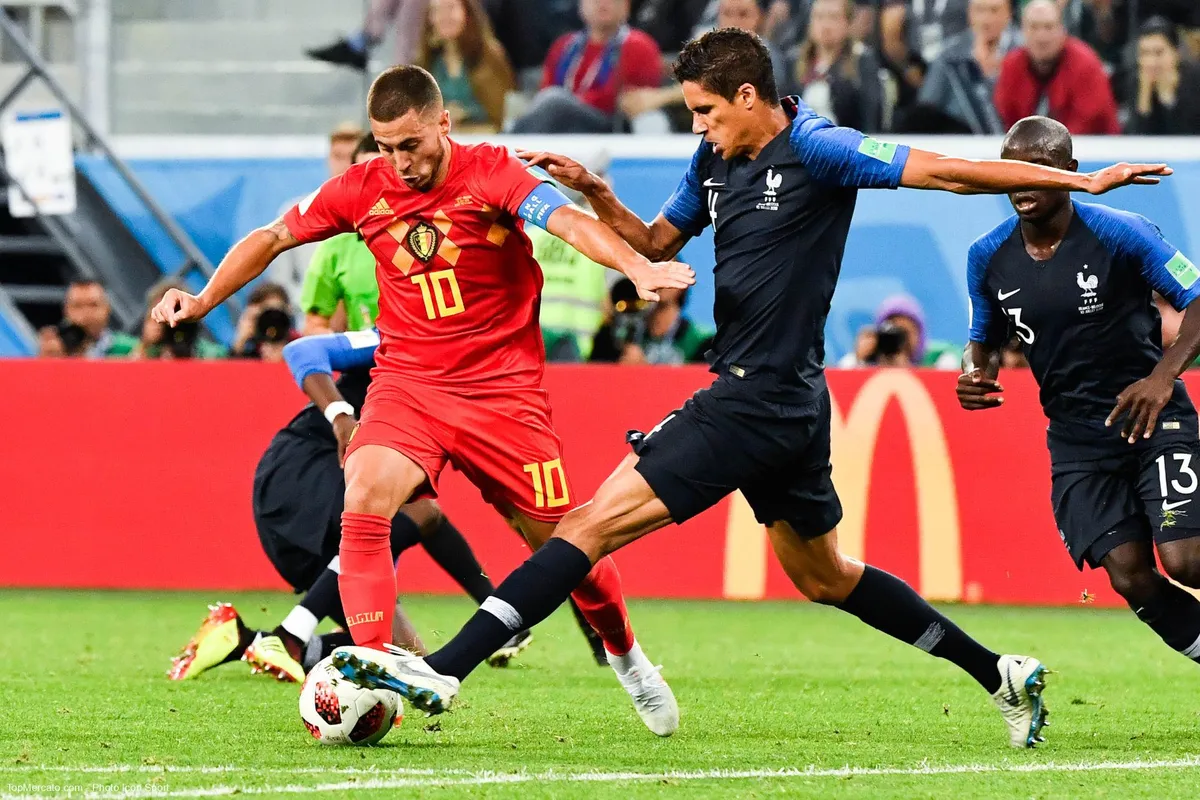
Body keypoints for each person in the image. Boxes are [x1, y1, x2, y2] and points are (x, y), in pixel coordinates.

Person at [338, 27, 1172, 747]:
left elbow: (947, 172)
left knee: (585, 525)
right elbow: (659, 239)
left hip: (753, 397)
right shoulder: (714, 155)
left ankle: (443, 672)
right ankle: (1002, 674)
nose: (697, 126)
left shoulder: (820, 149)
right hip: (790, 406)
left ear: (748, 95)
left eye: (705, 110)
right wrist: (598, 195)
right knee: (825, 577)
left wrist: (1075, 182)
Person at [151, 65, 694, 736]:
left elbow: (565, 222)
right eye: (386, 146)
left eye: (411, 143)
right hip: (410, 383)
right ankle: (373, 667)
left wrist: (636, 267)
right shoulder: (362, 189)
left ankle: (628, 657)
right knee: (366, 492)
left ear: (444, 123)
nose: (400, 161)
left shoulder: (492, 172)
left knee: (566, 544)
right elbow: (272, 237)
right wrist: (204, 299)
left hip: (503, 394)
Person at [957, 116, 1200, 674]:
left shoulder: (1120, 231)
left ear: (1070, 173)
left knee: (1187, 560)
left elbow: (1197, 300)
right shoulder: (987, 256)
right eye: (1012, 168)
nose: (1022, 181)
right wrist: (976, 372)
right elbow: (984, 340)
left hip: (1152, 419)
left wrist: (1163, 377)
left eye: (1039, 169)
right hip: (1076, 440)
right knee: (1130, 576)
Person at [513, 0, 664, 133]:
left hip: (609, 123)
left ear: (626, 6)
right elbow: (545, 90)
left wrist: (570, 102)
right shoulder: (564, 45)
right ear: (581, 6)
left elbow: (631, 100)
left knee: (554, 101)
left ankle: (509, 144)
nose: (603, 4)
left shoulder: (640, 45)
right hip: (560, 120)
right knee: (548, 102)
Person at [993, 0, 1120, 135]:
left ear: (1062, 30)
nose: (1041, 36)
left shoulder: (1086, 65)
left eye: (1048, 27)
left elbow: (1088, 122)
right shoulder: (1011, 66)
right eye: (1034, 27)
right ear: (1022, 31)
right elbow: (1005, 118)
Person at [301, 136, 385, 336]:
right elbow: (315, 324)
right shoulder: (335, 247)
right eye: (364, 174)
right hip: (369, 361)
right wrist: (348, 346)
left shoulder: (430, 233)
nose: (373, 183)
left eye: (383, 173)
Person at [416, 0, 515, 133]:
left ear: (467, 13)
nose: (444, 16)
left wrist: (464, 114)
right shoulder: (425, 62)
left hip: (483, 137)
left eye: (450, 8)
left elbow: (500, 113)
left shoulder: (490, 56)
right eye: (437, 10)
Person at [917, 0, 1014, 134]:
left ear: (1008, 14)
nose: (987, 19)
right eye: (980, 10)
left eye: (994, 10)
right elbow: (927, 108)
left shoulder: (1023, 52)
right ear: (970, 14)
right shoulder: (948, 56)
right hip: (961, 142)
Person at [789, 0, 883, 131]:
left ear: (848, 23)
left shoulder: (862, 61)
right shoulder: (793, 61)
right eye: (819, 17)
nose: (825, 25)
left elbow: (870, 117)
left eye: (833, 17)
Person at [1125, 16, 1200, 136]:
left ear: (1176, 53)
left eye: (1158, 53)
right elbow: (1134, 140)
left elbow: (1188, 136)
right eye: (1144, 53)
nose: (1151, 62)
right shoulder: (1137, 81)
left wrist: (1168, 100)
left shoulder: (1195, 80)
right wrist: (1144, 97)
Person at [61, 279, 138, 358]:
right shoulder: (56, 349)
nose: (86, 313)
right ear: (66, 310)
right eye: (78, 306)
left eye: (93, 305)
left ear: (107, 308)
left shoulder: (131, 349)